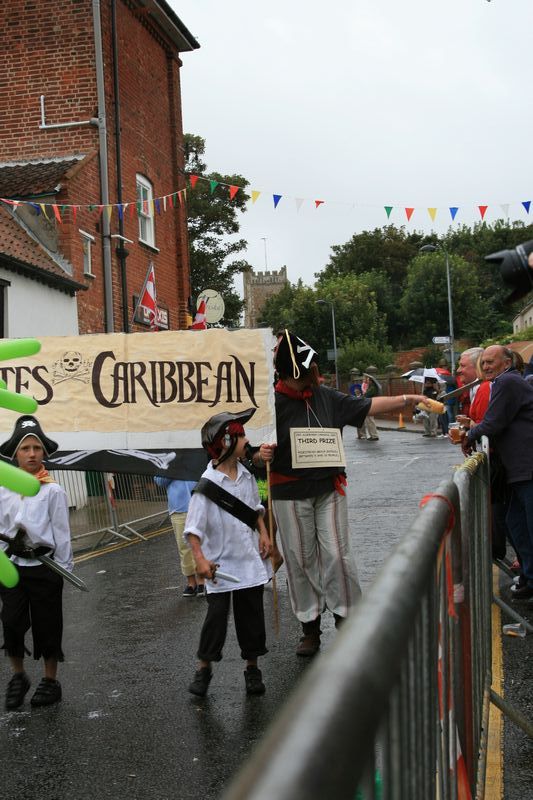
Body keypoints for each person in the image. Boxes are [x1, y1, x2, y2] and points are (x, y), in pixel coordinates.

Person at [254, 330, 430, 656]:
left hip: (329, 489)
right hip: (289, 493)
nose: (313, 377)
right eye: (307, 373)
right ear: (290, 375)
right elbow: (251, 452)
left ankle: (347, 620)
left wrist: (408, 399)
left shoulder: (327, 398)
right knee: (300, 559)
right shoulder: (269, 407)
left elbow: (368, 405)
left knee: (337, 554)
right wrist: (259, 455)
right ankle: (309, 626)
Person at [185, 409, 272, 697]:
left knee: (251, 616)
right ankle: (204, 668)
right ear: (225, 441)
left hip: (247, 560)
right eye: (241, 435)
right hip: (219, 566)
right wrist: (199, 559)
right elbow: (193, 530)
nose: (247, 440)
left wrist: (264, 533)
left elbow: (254, 510)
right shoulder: (206, 486)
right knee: (216, 619)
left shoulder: (246, 476)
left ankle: (252, 668)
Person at [0, 415, 73, 710]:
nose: (31, 454)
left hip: (44, 567)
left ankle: (49, 680)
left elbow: (62, 533)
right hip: (12, 565)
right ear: (16, 453)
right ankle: (18, 676)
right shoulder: (3, 489)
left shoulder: (52, 490)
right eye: (25, 449)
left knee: (48, 625)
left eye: (37, 449)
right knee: (12, 623)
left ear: (43, 453)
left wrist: (64, 570)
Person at [461, 345, 533, 600]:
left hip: (527, 467)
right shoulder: (505, 381)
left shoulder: (507, 382)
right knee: (514, 522)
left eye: (492, 361)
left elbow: (493, 422)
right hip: (518, 468)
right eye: (484, 362)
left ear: (507, 362)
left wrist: (469, 434)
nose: (487, 366)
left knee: (524, 525)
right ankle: (528, 575)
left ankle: (530, 579)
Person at [153, 477, 205, 597]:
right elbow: (159, 481)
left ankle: (202, 580)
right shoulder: (167, 460)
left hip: (197, 506)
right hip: (178, 509)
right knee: (184, 548)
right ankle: (191, 582)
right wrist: (172, 468)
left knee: (200, 545)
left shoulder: (192, 457)